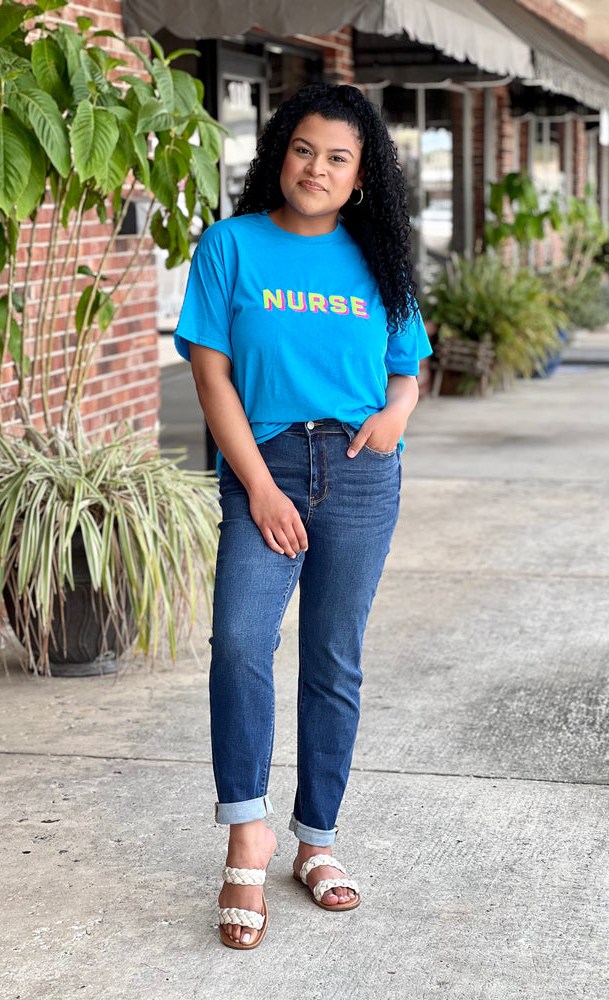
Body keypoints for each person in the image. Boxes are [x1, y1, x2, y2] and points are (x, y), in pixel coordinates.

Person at [174, 82, 432, 950]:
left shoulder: (379, 258)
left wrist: (395, 416)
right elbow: (211, 376)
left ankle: (316, 840)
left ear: (360, 177)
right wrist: (258, 486)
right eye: (303, 149)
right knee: (240, 641)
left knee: (333, 659)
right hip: (267, 463)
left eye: (338, 158)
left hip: (360, 473)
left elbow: (407, 367)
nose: (316, 168)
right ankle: (248, 833)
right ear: (280, 154)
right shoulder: (231, 246)